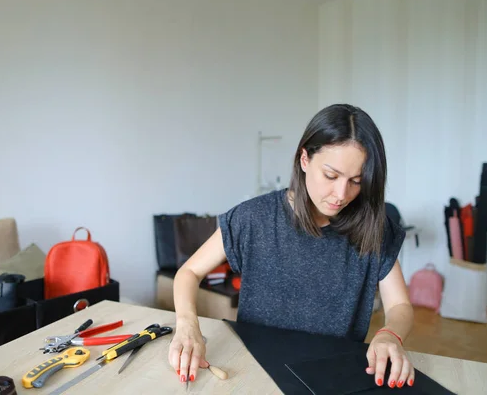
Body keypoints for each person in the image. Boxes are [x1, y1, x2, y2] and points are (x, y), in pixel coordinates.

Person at [168, 104, 415, 389]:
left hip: (333, 377)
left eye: (356, 182)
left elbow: (400, 305)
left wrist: (390, 335)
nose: (341, 194)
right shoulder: (254, 218)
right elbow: (188, 273)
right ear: (305, 159)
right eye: (331, 176)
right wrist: (187, 324)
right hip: (253, 372)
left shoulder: (374, 228)